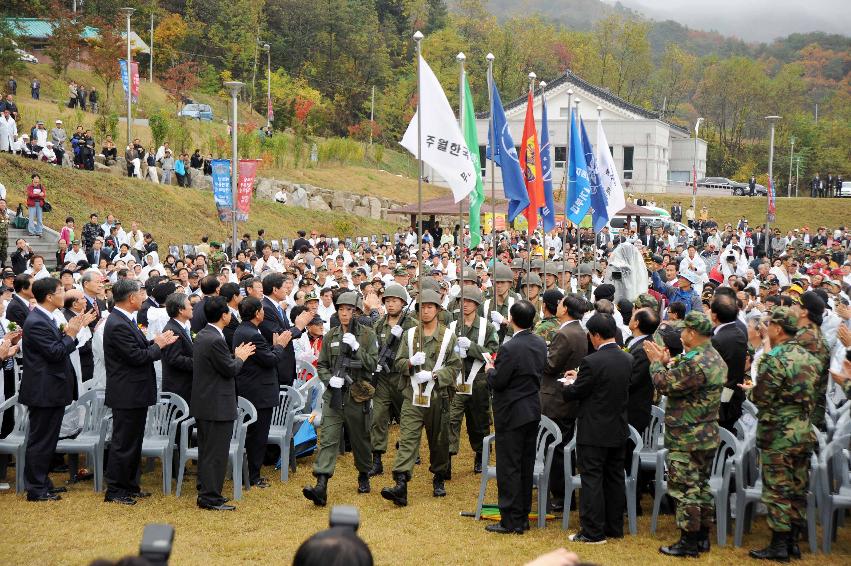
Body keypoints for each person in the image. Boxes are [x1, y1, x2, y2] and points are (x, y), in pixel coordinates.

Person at [644, 311, 725, 557]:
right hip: (706, 433)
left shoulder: (695, 362)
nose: (680, 334)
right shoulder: (713, 357)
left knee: (685, 489)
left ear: (691, 333)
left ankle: (688, 542)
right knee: (700, 486)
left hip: (688, 436)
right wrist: (669, 363)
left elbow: (665, 385)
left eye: (683, 330)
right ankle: (701, 537)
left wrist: (656, 363)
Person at [744, 307, 818, 561]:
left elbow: (762, 396)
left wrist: (751, 391)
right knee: (798, 487)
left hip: (779, 432)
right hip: (803, 430)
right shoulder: (808, 357)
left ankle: (779, 545)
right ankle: (793, 542)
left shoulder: (774, 359)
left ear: (777, 329)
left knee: (777, 489)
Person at [381, 289, 460, 507]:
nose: (425, 311)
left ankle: (439, 476)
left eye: (429, 307)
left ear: (437, 310)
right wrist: (409, 363)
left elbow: (455, 367)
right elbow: (397, 363)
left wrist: (435, 374)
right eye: (422, 307)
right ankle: (400, 483)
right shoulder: (409, 335)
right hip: (412, 396)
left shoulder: (447, 336)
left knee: (439, 441)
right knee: (407, 440)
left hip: (438, 397)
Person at [103, 279, 178, 505]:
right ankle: (116, 490)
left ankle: (130, 485)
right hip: (126, 392)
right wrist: (158, 347)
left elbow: (137, 348)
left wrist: (152, 342)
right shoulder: (117, 323)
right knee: (123, 443)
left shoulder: (126, 319)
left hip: (134, 391)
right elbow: (136, 357)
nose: (143, 298)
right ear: (130, 298)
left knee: (134, 442)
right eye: (140, 294)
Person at [562, 312, 631, 544]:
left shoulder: (591, 362)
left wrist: (570, 384)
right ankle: (614, 526)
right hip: (618, 427)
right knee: (614, 478)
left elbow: (576, 392)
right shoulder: (626, 359)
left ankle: (592, 531)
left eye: (590, 335)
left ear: (597, 335)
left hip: (593, 429)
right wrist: (581, 377)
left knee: (591, 479)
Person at [303, 292, 378, 505]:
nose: (344, 313)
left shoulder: (367, 336)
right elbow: (322, 365)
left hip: (358, 396)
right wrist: (329, 381)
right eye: (341, 309)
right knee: (328, 439)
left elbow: (373, 365)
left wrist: (357, 348)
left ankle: (364, 472)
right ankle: (321, 484)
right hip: (334, 397)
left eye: (349, 310)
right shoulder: (331, 336)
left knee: (360, 439)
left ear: (355, 312)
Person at [19, 278, 89, 501]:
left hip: (52, 388)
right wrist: (71, 334)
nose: (64, 294)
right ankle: (36, 488)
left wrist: (72, 331)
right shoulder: (37, 321)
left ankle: (43, 482)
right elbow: (55, 352)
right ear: (49, 296)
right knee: (41, 440)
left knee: (48, 439)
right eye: (61, 291)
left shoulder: (46, 317)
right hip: (43, 389)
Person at [482, 300, 546, 534]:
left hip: (511, 411)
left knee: (509, 466)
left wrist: (490, 369)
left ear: (512, 319)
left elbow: (499, 381)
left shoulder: (510, 347)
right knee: (525, 465)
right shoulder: (539, 342)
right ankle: (522, 516)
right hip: (531, 408)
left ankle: (510, 520)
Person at [191, 296, 255, 510]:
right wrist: (240, 357)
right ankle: (210, 497)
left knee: (208, 450)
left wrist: (233, 358)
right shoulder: (214, 339)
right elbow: (230, 369)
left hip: (205, 402)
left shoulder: (203, 334)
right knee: (215, 453)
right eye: (229, 312)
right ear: (223, 315)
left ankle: (207, 491)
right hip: (216, 404)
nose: (231, 315)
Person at [233, 297, 290, 488]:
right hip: (259, 391)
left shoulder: (243, 329)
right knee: (257, 435)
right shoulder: (252, 333)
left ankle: (249, 472)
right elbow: (270, 360)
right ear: (258, 313)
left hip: (250, 388)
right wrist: (279, 346)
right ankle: (253, 475)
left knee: (252, 433)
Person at [447, 285, 499, 475]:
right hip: (456, 380)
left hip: (478, 380)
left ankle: (480, 454)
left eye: (469, 301)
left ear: (477, 304)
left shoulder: (488, 327)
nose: (465, 305)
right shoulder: (453, 326)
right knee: (451, 420)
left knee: (478, 422)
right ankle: (448, 457)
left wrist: (472, 347)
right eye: (462, 301)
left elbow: (493, 355)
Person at [368, 283, 416, 477]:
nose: (390, 305)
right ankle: (377, 459)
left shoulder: (411, 324)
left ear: (403, 303)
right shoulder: (378, 324)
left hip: (403, 378)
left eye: (394, 301)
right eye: (387, 301)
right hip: (383, 380)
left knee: (407, 418)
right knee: (378, 417)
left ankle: (409, 453)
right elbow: (372, 346)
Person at [710, 294, 748, 432]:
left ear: (714, 315)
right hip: (732, 396)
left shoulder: (719, 340)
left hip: (723, 402)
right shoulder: (738, 331)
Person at [160, 293, 195, 404]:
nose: (192, 307)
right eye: (189, 304)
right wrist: (199, 362)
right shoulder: (172, 330)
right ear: (180, 310)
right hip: (179, 389)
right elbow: (174, 359)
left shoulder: (181, 327)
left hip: (185, 387)